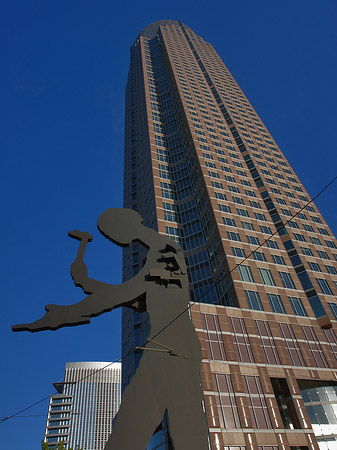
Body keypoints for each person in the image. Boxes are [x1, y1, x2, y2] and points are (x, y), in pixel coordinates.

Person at [13, 208, 209, 450]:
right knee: (148, 430)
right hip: (164, 350)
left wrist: (65, 313)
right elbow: (136, 297)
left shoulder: (165, 250)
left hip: (173, 350)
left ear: (128, 223)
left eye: (111, 232)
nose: (112, 238)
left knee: (171, 431)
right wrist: (86, 284)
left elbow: (124, 294)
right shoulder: (160, 257)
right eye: (107, 235)